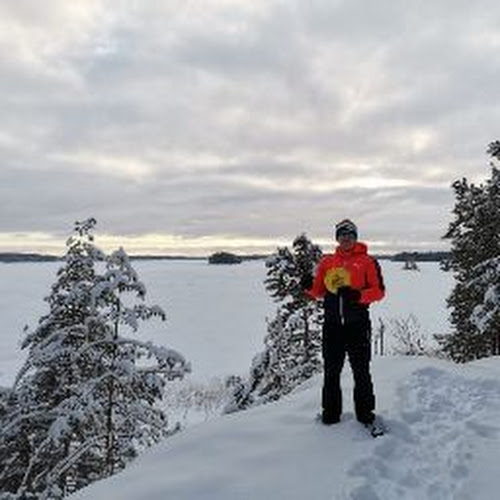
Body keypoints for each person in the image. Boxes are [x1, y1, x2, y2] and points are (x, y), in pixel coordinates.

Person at [301, 219, 385, 425]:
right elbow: (319, 291)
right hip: (332, 326)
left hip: (357, 325)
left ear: (355, 237)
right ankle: (330, 415)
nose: (346, 238)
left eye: (349, 234)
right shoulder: (327, 262)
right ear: (337, 238)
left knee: (361, 372)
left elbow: (379, 291)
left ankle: (365, 415)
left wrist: (357, 296)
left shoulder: (367, 261)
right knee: (331, 372)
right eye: (342, 235)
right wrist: (307, 286)